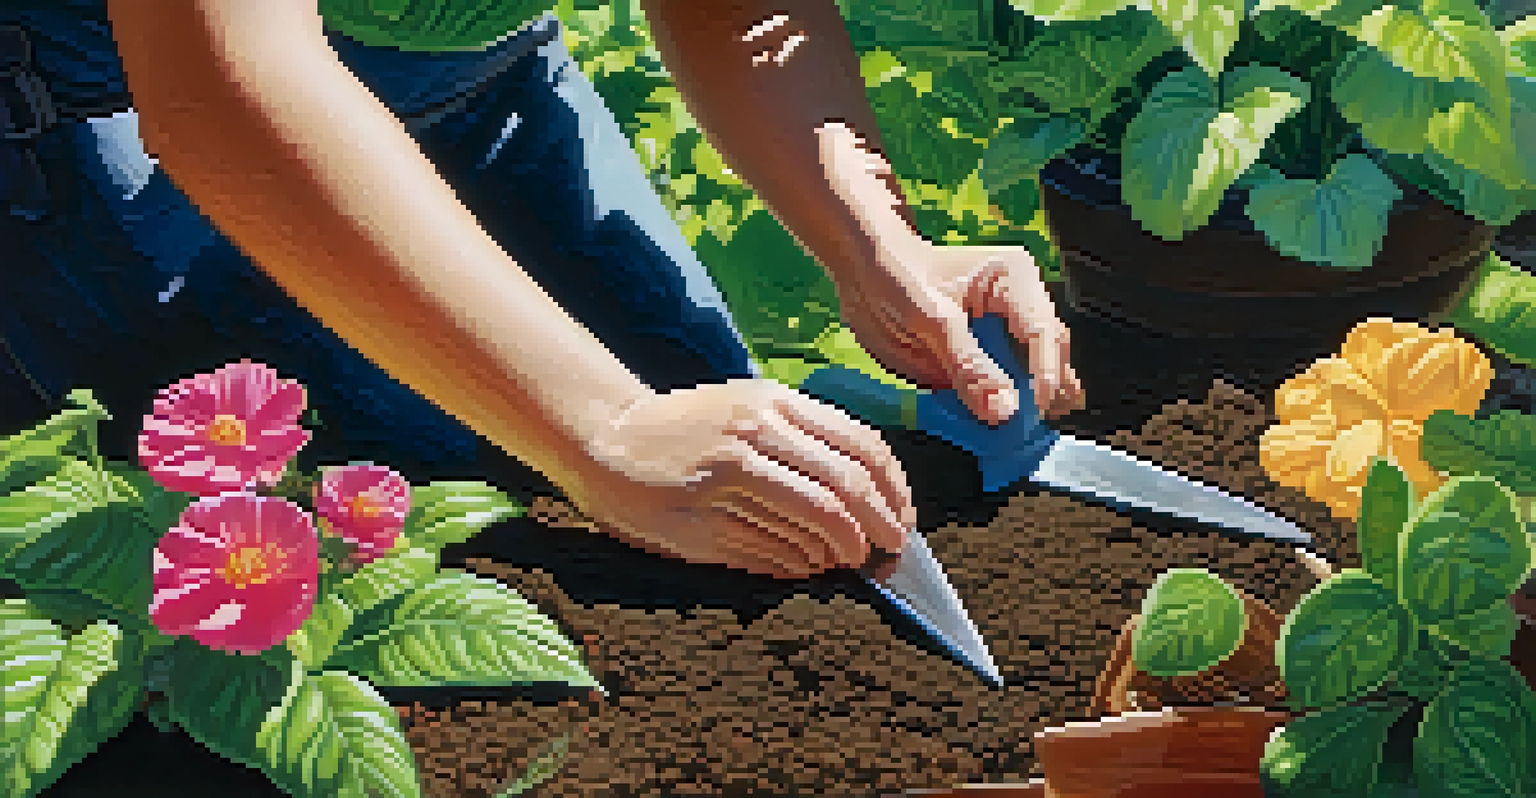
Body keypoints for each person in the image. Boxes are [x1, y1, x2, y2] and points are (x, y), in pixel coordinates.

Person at [0, 0, 1082, 581]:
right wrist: (602, 428)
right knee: (401, 565)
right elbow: (218, 86)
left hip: (482, 72)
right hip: (123, 96)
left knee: (737, 504)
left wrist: (877, 244)